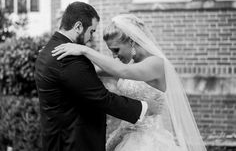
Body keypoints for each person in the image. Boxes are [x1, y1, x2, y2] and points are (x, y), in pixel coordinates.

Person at [52, 14, 207, 151]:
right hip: (125, 137)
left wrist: (84, 50)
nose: (114, 56)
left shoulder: (156, 64)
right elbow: (91, 70)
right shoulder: (128, 63)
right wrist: (56, 58)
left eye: (116, 50)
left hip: (150, 143)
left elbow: (122, 71)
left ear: (132, 42)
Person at [34, 2, 159, 151]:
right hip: (74, 144)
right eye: (91, 31)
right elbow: (102, 98)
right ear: (78, 26)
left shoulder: (49, 50)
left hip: (59, 140)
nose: (91, 38)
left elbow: (88, 78)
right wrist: (143, 108)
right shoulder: (67, 57)